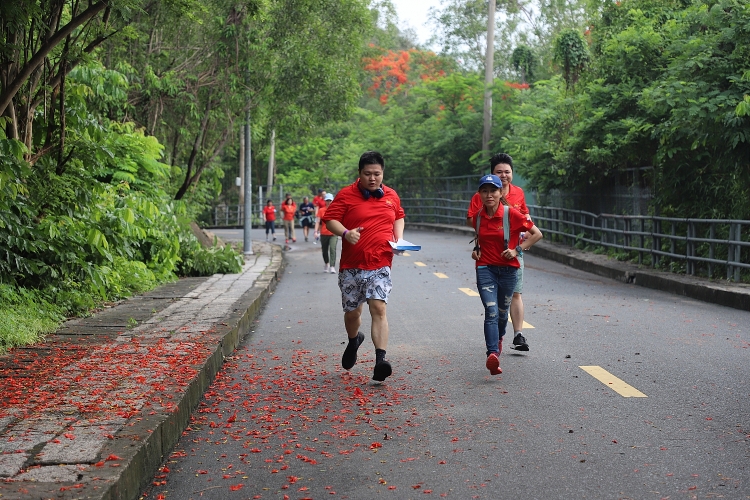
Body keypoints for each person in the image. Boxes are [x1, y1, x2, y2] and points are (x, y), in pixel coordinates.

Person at [323, 151, 405, 382]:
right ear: (359, 174)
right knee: (352, 313)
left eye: (377, 174)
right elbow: (331, 219)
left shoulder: (391, 195)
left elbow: (399, 215)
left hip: (380, 262)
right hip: (351, 265)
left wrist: (398, 238)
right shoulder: (346, 195)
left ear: (382, 173)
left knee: (378, 308)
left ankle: (381, 360)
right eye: (367, 174)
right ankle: (353, 340)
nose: (372, 178)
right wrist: (346, 233)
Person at [470, 174, 543, 375]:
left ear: (501, 192)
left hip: (509, 270)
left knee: (502, 313)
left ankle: (500, 337)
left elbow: (537, 234)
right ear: (480, 194)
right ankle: (492, 354)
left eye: (493, 191)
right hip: (485, 269)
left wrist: (517, 250)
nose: (488, 195)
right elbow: (479, 241)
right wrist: (476, 251)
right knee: (491, 310)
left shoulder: (512, 214)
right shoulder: (478, 217)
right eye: (484, 191)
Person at [467, 153, 532, 351]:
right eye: (499, 172)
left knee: (516, 293)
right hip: (489, 254)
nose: (503, 175)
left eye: (507, 172)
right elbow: (475, 221)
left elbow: (526, 216)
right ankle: (496, 342)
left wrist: (522, 244)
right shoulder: (483, 195)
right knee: (493, 308)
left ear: (512, 173)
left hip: (514, 251)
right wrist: (478, 245)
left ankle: (518, 333)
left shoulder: (518, 193)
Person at [315, 193, 338, 273]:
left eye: (330, 200)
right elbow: (318, 221)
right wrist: (316, 231)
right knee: (324, 250)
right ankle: (326, 263)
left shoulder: (336, 210)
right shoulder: (321, 210)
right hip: (324, 233)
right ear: (325, 201)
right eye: (327, 200)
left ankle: (332, 266)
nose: (329, 202)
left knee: (332, 249)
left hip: (333, 233)